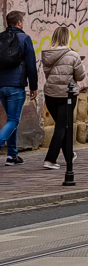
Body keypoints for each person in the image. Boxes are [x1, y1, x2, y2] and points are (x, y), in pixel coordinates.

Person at [40, 26, 86, 170]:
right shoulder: (73, 55)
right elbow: (80, 76)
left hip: (50, 95)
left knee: (63, 125)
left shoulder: (47, 54)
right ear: (67, 38)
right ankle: (50, 159)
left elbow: (48, 74)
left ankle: (69, 155)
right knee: (61, 126)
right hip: (67, 95)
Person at [0, 11, 39, 165]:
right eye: (22, 21)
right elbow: (30, 65)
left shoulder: (0, 38)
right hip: (16, 86)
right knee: (14, 121)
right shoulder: (25, 38)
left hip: (1, 85)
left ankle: (12, 155)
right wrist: (34, 87)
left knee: (11, 121)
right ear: (19, 23)